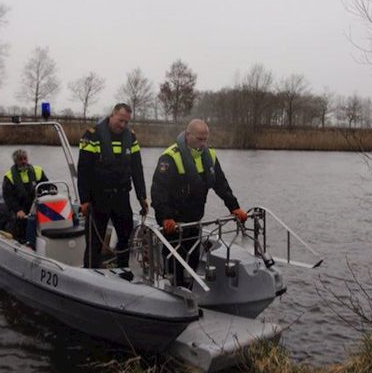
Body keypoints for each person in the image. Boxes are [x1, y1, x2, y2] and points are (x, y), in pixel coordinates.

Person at [150, 119, 247, 287]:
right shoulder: (170, 157)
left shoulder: (210, 156)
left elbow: (221, 184)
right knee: (175, 259)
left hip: (194, 219)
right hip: (173, 221)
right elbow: (158, 191)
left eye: (205, 139)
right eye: (199, 139)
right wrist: (165, 217)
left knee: (193, 257)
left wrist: (234, 206)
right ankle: (171, 286)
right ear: (188, 136)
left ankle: (188, 288)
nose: (203, 143)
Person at [77, 103, 149, 268]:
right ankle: (90, 272)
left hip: (121, 197)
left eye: (126, 122)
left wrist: (142, 196)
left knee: (125, 238)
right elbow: (84, 171)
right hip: (98, 198)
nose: (122, 125)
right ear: (112, 115)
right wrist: (84, 200)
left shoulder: (130, 137)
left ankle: (123, 270)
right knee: (94, 242)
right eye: (120, 120)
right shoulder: (92, 136)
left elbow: (137, 169)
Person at [1, 148, 49, 245]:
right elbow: (8, 197)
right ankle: (20, 242)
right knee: (18, 223)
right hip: (20, 208)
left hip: (36, 205)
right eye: (20, 159)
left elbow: (47, 186)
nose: (23, 161)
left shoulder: (38, 171)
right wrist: (18, 210)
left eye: (25, 158)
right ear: (15, 161)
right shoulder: (9, 176)